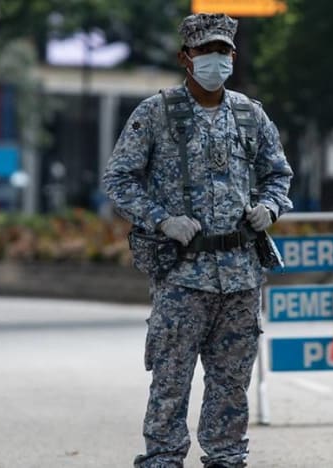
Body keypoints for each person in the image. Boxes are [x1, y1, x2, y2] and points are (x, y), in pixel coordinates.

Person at [102, 12, 294, 468]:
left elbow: (278, 175)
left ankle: (226, 457)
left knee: (231, 382)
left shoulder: (250, 115)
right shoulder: (155, 114)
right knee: (171, 378)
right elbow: (119, 179)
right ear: (184, 57)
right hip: (182, 275)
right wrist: (161, 219)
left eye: (223, 50)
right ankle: (164, 457)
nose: (216, 59)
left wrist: (270, 206)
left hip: (241, 275)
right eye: (206, 50)